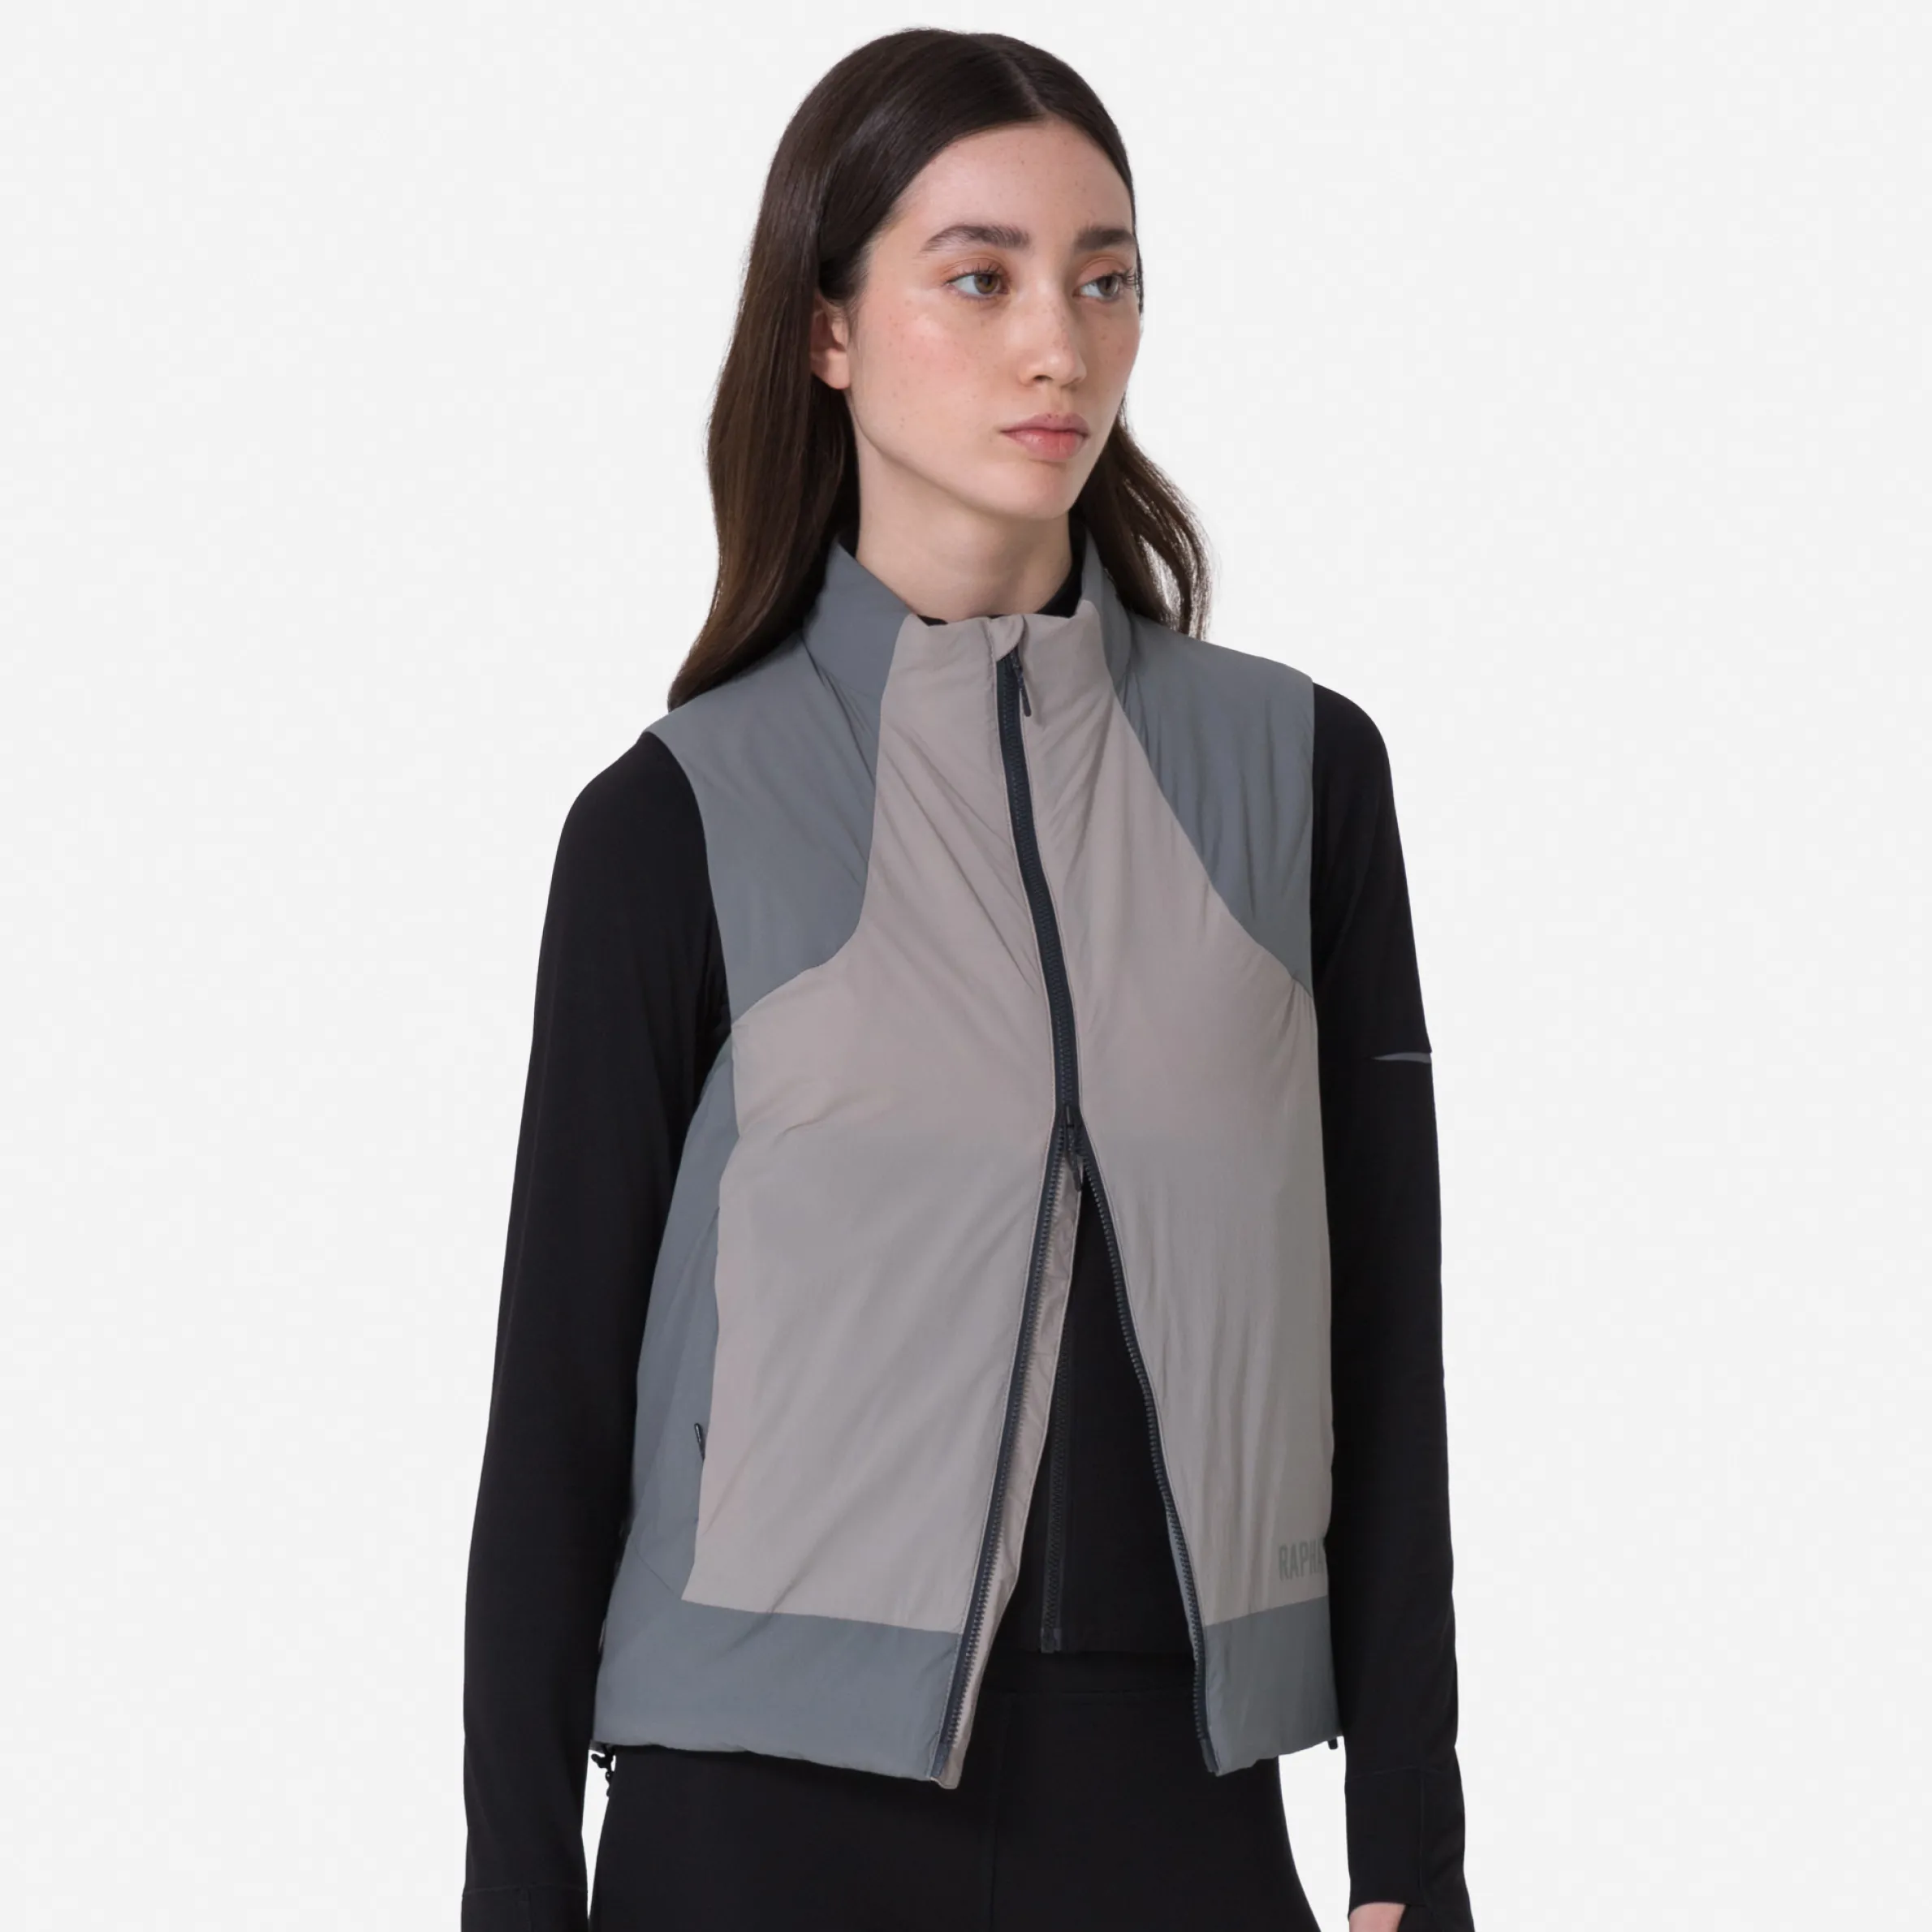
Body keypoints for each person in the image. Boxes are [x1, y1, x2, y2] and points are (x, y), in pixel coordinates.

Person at [460, 28, 1473, 1932]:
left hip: (1176, 1811)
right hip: (752, 1827)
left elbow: (1382, 1339)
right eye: (979, 277)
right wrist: (515, 1890)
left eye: (1103, 278)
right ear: (828, 327)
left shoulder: (1298, 779)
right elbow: (557, 1412)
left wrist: (1408, 1849)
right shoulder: (677, 819)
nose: (1056, 347)